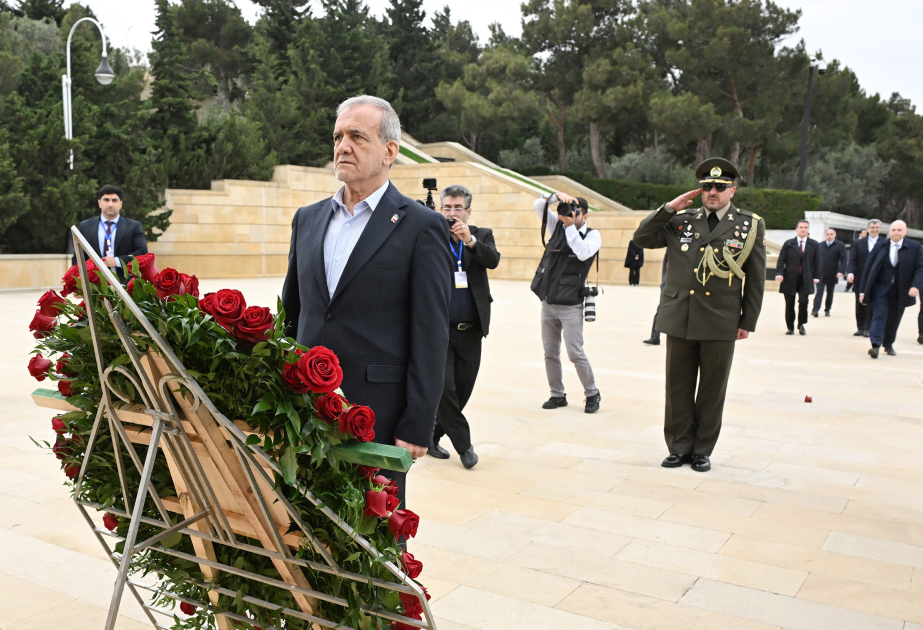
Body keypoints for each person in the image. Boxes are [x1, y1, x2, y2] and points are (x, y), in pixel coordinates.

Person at [281, 96, 453, 508]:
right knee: (302, 528)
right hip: (303, 413)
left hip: (376, 415)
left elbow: (431, 334)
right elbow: (292, 315)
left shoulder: (420, 226)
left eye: (357, 136)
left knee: (373, 538)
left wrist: (417, 424)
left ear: (389, 152)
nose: (342, 146)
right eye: (338, 136)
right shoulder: (308, 219)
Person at [633, 158, 765, 473]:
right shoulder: (681, 220)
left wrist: (747, 320)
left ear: (733, 190)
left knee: (712, 388)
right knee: (677, 386)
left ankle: (702, 450)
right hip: (680, 315)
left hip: (721, 319)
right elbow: (642, 238)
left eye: (720, 187)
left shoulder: (748, 225)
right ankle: (678, 448)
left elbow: (756, 277)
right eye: (707, 187)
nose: (712, 192)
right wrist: (668, 208)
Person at [428, 185, 501, 469]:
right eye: (447, 207)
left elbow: (492, 260)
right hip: (440, 330)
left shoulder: (481, 235)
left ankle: (431, 435)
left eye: (458, 208)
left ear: (468, 211)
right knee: (444, 389)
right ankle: (465, 447)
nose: (452, 213)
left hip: (471, 329)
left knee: (463, 391)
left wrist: (468, 239)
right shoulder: (433, 236)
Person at [531, 192, 602, 413]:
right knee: (550, 352)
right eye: (569, 209)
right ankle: (557, 394)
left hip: (571, 304)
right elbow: (538, 205)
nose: (571, 214)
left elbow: (582, 253)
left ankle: (592, 393)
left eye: (576, 211)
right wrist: (555, 196)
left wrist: (570, 226)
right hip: (548, 301)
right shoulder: (558, 226)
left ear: (586, 215)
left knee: (575, 353)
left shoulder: (593, 235)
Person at [858, 220, 923, 358]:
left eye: (899, 230)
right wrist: (863, 291)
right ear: (889, 231)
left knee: (894, 318)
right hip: (880, 289)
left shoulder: (915, 247)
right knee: (879, 315)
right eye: (893, 230)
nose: (896, 233)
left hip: (901, 290)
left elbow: (920, 268)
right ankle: (875, 345)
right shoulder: (880, 245)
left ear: (906, 231)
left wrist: (916, 285)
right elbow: (868, 268)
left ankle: (888, 344)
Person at [73, 185, 148, 283]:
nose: (110, 204)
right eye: (106, 200)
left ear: (120, 204)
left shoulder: (133, 226)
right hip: (95, 286)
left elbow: (142, 252)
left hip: (126, 285)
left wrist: (117, 261)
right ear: (99, 203)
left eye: (114, 200)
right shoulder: (86, 226)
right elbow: (78, 257)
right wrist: (76, 283)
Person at [775, 220, 821, 335]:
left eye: (805, 227)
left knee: (804, 301)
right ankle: (790, 327)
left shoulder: (814, 244)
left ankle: (801, 324)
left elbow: (818, 262)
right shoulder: (789, 244)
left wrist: (816, 276)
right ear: (796, 229)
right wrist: (779, 273)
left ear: (808, 229)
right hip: (789, 278)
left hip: (805, 278)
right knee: (789, 303)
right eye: (801, 227)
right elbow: (781, 260)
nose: (803, 229)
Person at [846, 220, 882, 336]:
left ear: (880, 229)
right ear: (867, 229)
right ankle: (860, 327)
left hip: (877, 278)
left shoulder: (884, 243)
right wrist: (850, 272)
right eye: (872, 227)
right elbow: (852, 259)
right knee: (859, 302)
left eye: (876, 227)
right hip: (860, 277)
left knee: (872, 303)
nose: (874, 229)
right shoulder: (858, 243)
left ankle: (868, 327)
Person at [811, 228, 847, 317]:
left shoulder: (840, 245)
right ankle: (815, 309)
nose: (829, 236)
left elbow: (844, 259)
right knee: (819, 291)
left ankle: (827, 309)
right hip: (820, 273)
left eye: (831, 234)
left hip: (832, 272)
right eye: (827, 234)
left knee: (830, 292)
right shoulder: (820, 245)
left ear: (835, 235)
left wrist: (841, 271)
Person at [643, 251, 668, 345]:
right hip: (668, 285)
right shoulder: (673, 244)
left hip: (682, 286)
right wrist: (664, 281)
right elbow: (666, 264)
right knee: (661, 310)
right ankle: (655, 336)